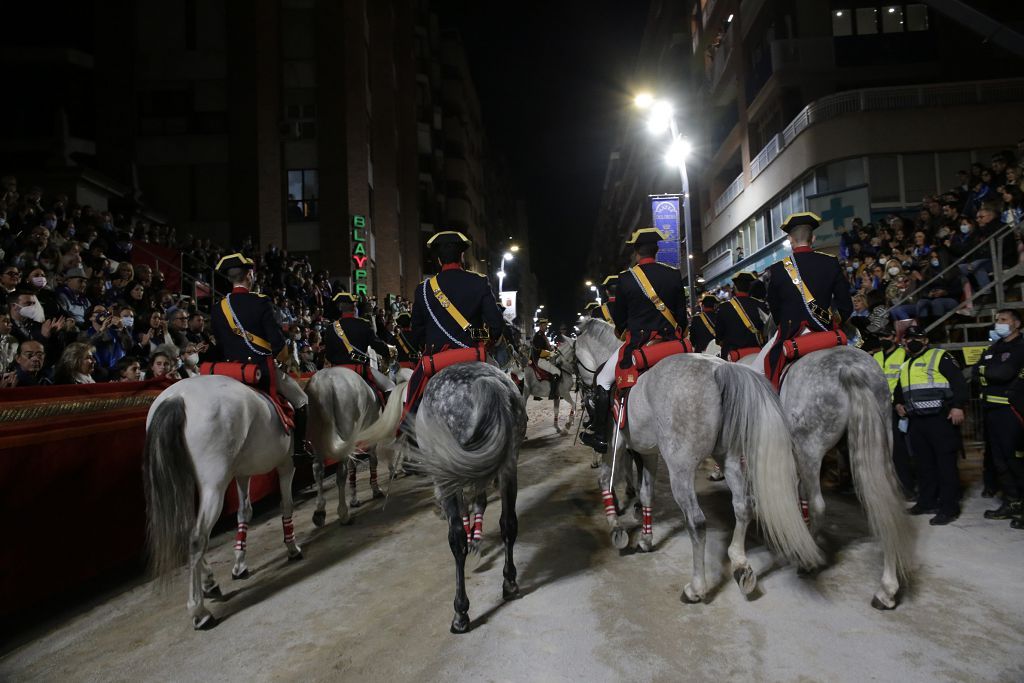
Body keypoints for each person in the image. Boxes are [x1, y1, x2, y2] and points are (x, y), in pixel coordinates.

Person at [582, 227, 686, 453]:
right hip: (673, 345)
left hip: (640, 347)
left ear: (637, 252)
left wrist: (624, 331)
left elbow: (620, 320)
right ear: (657, 250)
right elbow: (682, 317)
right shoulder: (673, 273)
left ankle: (599, 434)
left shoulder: (627, 279)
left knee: (602, 380)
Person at [210, 253, 311, 463]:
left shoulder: (218, 307)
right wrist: (286, 360)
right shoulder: (260, 302)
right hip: (260, 370)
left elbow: (220, 343)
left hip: (230, 371)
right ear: (249, 276)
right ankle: (300, 449)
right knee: (302, 401)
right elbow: (275, 340)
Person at [404, 230, 514, 417]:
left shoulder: (423, 289)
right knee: (508, 393)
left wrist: (430, 346)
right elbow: (496, 324)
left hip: (436, 360)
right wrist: (484, 342)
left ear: (438, 260)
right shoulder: (479, 282)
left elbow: (417, 332)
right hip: (474, 354)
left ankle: (408, 434)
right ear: (462, 256)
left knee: (412, 397)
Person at [760, 212, 853, 389]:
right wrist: (832, 322)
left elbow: (775, 309)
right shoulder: (831, 262)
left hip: (792, 332)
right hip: (826, 331)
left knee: (767, 367)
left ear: (790, 240)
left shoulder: (778, 269)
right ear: (814, 238)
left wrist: (784, 324)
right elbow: (845, 304)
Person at [894, 325, 968, 526]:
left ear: (926, 340)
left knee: (945, 465)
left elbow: (958, 382)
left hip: (941, 419)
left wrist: (958, 406)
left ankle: (949, 508)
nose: (912, 342)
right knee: (924, 465)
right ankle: (926, 502)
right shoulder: (906, 363)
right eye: (908, 339)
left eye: (917, 338)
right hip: (917, 421)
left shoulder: (939, 356)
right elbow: (902, 389)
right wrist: (898, 403)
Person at [977, 309, 1024, 526]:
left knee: (1016, 461)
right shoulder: (994, 347)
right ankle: (1012, 501)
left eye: (1003, 320)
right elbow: (979, 371)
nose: (999, 323)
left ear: (1016, 324)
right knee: (1000, 462)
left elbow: (1000, 373)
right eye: (997, 320)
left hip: (1011, 412)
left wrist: (990, 370)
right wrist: (990, 370)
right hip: (992, 411)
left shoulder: (1020, 348)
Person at [323, 291, 395, 395]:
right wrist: (389, 351)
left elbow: (329, 354)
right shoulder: (363, 324)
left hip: (335, 370)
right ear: (354, 307)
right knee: (390, 387)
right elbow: (377, 345)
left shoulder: (331, 327)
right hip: (359, 369)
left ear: (339, 308)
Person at [872, 324, 914, 497]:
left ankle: (907, 488)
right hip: (877, 408)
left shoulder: (903, 354)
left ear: (894, 337)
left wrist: (900, 402)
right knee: (881, 450)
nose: (883, 340)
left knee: (899, 449)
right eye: (880, 337)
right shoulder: (875, 356)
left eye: (886, 337)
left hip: (897, 408)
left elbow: (906, 381)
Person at [714, 272, 768, 359]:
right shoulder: (760, 305)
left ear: (735, 287)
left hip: (732, 356)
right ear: (750, 288)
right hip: (758, 353)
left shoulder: (724, 307)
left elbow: (719, 338)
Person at [531, 318, 561, 398]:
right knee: (557, 371)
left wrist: (552, 349)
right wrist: (551, 354)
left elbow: (546, 347)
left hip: (544, 358)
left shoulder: (542, 335)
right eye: (544, 325)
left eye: (546, 325)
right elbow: (540, 351)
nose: (546, 327)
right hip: (540, 360)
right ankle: (553, 394)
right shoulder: (539, 336)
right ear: (540, 326)